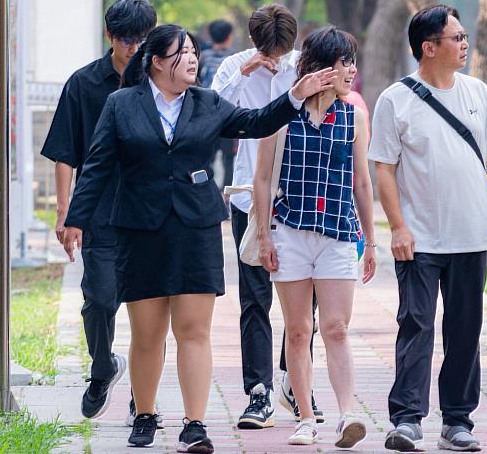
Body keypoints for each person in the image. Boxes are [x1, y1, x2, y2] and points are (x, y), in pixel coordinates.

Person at [62, 24, 338, 452]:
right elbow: (97, 165)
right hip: (140, 228)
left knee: (194, 330)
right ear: (156, 61)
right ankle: (147, 415)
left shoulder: (208, 103)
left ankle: (195, 423)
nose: (192, 59)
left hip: (196, 228)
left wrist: (295, 95)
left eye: (193, 51)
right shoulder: (122, 104)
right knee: (147, 332)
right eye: (181, 52)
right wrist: (75, 219)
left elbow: (255, 122)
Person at [369, 4, 487, 452]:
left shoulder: (477, 92)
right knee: (415, 325)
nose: (465, 43)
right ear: (428, 47)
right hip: (418, 237)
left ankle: (458, 421)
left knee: (465, 329)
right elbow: (384, 170)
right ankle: (406, 420)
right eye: (456, 38)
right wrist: (397, 228)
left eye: (463, 36)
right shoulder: (395, 100)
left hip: (470, 234)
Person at [254, 26, 377, 448]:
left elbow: (362, 182)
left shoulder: (355, 114)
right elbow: (264, 178)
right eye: (344, 62)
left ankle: (347, 415)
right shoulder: (284, 112)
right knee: (297, 329)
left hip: (340, 232)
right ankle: (306, 417)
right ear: (322, 66)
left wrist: (372, 242)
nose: (351, 70)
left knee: (336, 327)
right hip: (289, 231)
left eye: (352, 62)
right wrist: (265, 237)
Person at [39, 0, 156, 422]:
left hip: (151, 211)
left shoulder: (160, 81)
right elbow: (65, 151)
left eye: (142, 40)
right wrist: (65, 213)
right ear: (110, 37)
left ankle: (143, 401)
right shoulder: (84, 84)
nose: (134, 48)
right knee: (100, 299)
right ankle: (102, 365)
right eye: (127, 39)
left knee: (151, 309)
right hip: (102, 210)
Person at [212, 4, 322, 429]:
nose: (274, 58)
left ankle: (294, 383)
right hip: (248, 198)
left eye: (281, 50)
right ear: (254, 41)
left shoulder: (303, 68)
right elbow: (212, 116)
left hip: (298, 197)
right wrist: (245, 74)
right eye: (267, 50)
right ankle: (257, 392)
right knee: (254, 297)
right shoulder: (233, 67)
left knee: (304, 301)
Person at [198, 19, 238, 193]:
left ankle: (206, 190)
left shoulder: (203, 57)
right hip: (228, 115)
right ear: (229, 37)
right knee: (229, 158)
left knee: (206, 157)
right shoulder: (235, 59)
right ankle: (226, 195)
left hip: (205, 115)